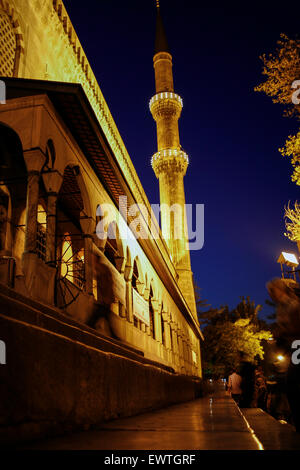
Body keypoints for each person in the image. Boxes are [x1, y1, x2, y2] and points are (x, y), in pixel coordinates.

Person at [267, 278, 300, 432]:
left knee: (293, 381)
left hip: (297, 345)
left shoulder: (292, 303)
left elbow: (294, 325)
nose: (271, 296)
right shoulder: (281, 306)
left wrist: (283, 333)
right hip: (293, 346)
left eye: (272, 292)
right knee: (292, 382)